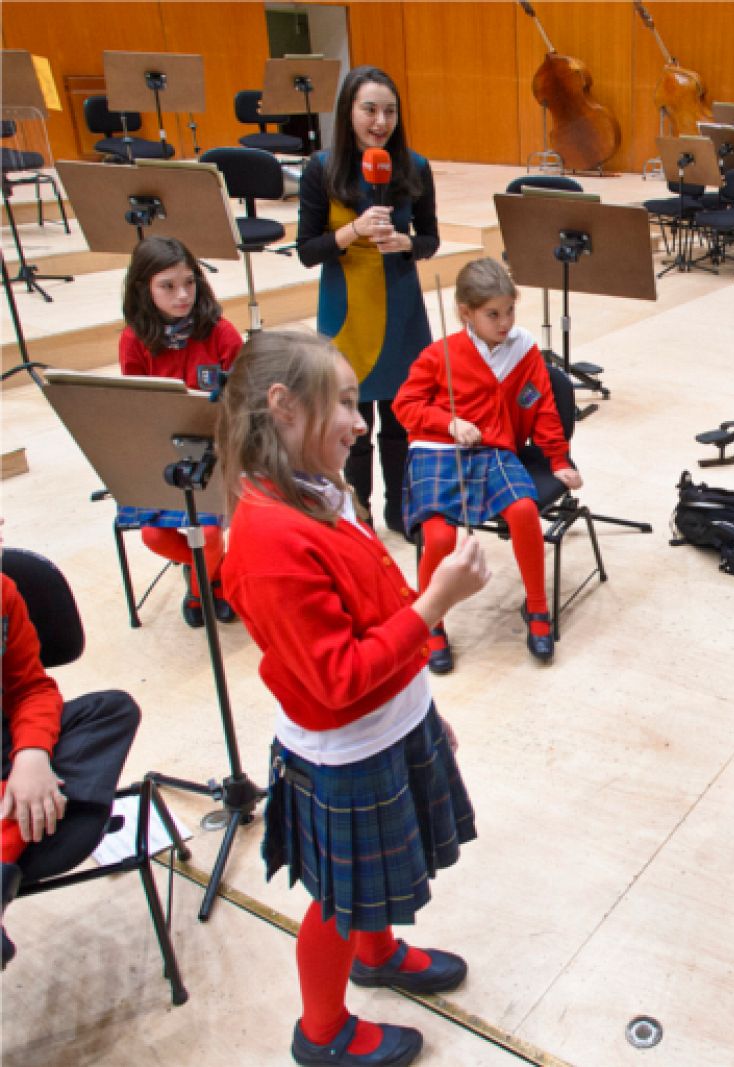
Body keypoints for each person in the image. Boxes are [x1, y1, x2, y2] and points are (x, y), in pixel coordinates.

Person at [217, 330, 488, 1067]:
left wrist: (422, 708)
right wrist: (437, 603)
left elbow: (378, 598)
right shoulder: (268, 538)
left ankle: (377, 953)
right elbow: (338, 674)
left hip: (389, 720)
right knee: (340, 896)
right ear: (282, 407)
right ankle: (323, 1029)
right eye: (342, 401)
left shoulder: (319, 487)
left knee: (376, 878)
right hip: (344, 748)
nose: (361, 420)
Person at [393, 258, 580, 669]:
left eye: (510, 310)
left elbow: (543, 406)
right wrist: (449, 421)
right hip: (437, 450)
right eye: (493, 314)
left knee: (525, 509)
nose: (505, 322)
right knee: (440, 538)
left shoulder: (524, 348)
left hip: (495, 450)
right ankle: (431, 622)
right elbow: (404, 405)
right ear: (466, 313)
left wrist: (557, 457)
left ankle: (536, 609)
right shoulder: (439, 353)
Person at [297, 65, 439, 535]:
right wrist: (351, 231)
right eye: (369, 110)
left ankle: (401, 512)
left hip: (399, 303)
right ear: (348, 112)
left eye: (389, 111)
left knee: (400, 424)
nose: (380, 121)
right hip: (346, 308)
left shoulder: (414, 167)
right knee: (352, 424)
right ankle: (361, 517)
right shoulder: (321, 169)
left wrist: (407, 243)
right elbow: (306, 252)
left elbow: (431, 239)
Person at [2, 528, 143, 967]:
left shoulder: (3, 592)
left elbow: (31, 688)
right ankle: (19, 839)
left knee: (112, 711)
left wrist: (32, 755)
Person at [118, 235, 243, 626]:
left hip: (216, 451)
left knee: (205, 536)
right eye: (168, 286)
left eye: (189, 282)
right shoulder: (133, 340)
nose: (183, 295)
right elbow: (137, 408)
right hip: (165, 453)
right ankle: (216, 573)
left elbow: (244, 402)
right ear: (144, 289)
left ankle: (200, 591)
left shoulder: (222, 333)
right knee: (154, 537)